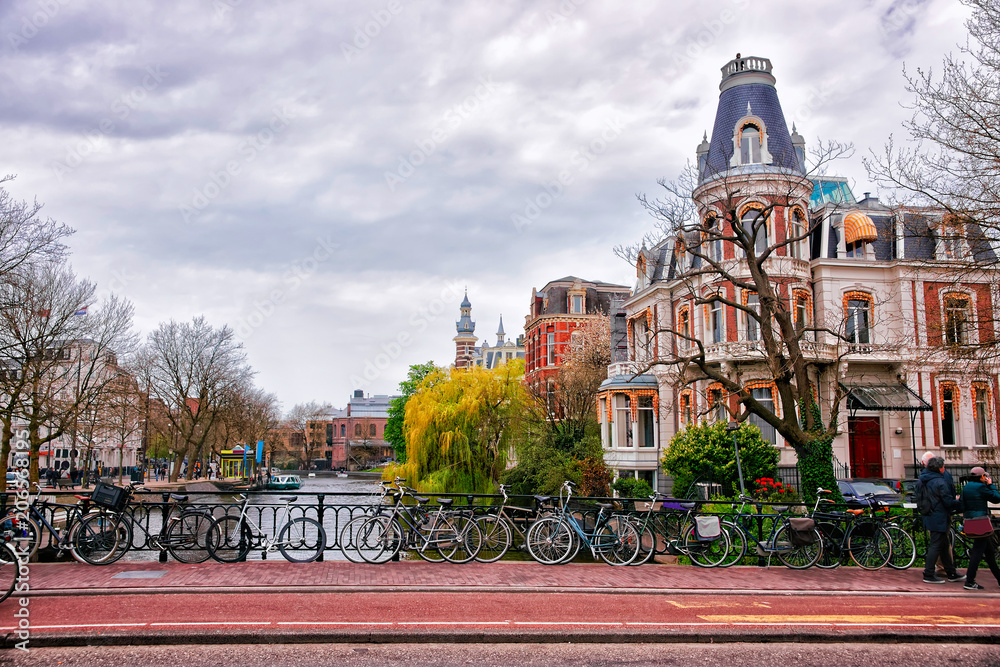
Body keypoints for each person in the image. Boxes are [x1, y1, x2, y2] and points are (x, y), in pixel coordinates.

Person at [920, 456, 965, 584]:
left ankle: (951, 572)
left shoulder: (923, 480)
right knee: (936, 545)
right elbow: (947, 501)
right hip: (939, 516)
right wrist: (959, 502)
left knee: (944, 545)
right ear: (939, 468)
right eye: (943, 467)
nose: (944, 469)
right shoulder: (940, 482)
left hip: (929, 515)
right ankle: (928, 573)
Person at [959, 466, 1000, 591]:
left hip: (970, 521)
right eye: (985, 476)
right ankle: (969, 581)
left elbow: (961, 504)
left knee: (989, 553)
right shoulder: (981, 487)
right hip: (981, 522)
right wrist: (991, 485)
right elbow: (996, 498)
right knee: (977, 553)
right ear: (982, 477)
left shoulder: (966, 488)